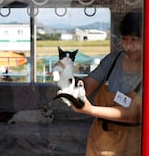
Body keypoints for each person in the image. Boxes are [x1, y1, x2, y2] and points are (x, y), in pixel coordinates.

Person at [56, 11, 143, 156]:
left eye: (134, 39)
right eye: (124, 39)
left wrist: (91, 110)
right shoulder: (112, 60)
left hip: (131, 143)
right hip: (100, 140)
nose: (128, 45)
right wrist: (68, 78)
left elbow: (134, 114)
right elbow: (87, 85)